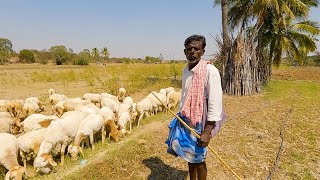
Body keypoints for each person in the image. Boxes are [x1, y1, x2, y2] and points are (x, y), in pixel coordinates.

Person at [166, 34, 225, 180]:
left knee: (199, 160)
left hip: (201, 123)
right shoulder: (185, 70)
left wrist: (207, 131)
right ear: (185, 52)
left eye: (196, 48)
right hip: (186, 120)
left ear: (202, 51)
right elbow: (185, 96)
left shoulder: (210, 71)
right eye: (189, 49)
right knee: (189, 157)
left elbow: (215, 102)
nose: (192, 51)